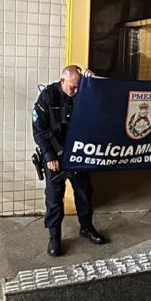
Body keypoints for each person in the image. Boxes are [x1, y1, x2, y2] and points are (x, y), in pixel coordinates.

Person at [32, 65, 107, 256]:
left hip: (78, 154)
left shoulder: (83, 93)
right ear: (62, 81)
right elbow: (39, 130)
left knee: (84, 194)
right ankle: (54, 236)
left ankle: (87, 228)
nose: (75, 91)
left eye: (78, 87)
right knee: (54, 198)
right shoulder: (48, 96)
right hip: (54, 156)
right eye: (72, 87)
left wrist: (92, 83)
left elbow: (102, 107)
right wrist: (49, 155)